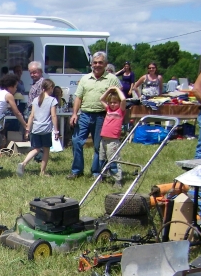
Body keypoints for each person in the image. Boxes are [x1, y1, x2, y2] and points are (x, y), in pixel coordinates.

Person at [68, 51, 121, 179]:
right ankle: (76, 170)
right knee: (76, 142)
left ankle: (96, 172)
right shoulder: (85, 79)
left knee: (98, 145)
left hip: (102, 116)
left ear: (105, 64)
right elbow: (78, 98)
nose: (97, 65)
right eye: (95, 62)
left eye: (100, 62)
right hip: (85, 115)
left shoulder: (112, 79)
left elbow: (119, 97)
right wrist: (74, 114)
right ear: (91, 64)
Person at [18, 78, 59, 177]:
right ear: (50, 88)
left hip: (35, 129)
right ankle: (42, 172)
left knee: (36, 149)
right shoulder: (52, 100)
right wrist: (56, 130)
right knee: (46, 150)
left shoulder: (36, 100)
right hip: (46, 130)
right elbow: (53, 116)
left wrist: (28, 129)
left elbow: (31, 116)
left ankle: (23, 163)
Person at [98, 86, 126, 188]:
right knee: (102, 159)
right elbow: (101, 99)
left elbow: (123, 99)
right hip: (104, 139)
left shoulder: (120, 111)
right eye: (111, 102)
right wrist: (109, 91)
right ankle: (103, 176)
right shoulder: (108, 110)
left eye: (115, 102)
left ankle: (117, 180)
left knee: (113, 160)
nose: (113, 104)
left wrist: (116, 89)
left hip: (113, 140)